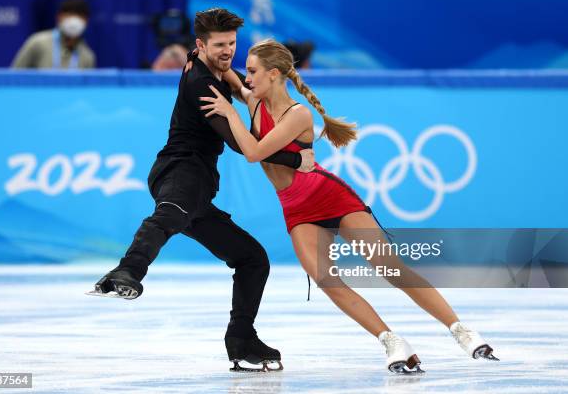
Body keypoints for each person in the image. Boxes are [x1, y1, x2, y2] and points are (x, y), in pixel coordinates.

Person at [198, 38, 499, 373]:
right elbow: (228, 76)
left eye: (254, 71)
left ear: (274, 74)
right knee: (328, 281)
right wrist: (200, 55)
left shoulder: (299, 115)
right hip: (296, 209)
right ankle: (392, 342)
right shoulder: (252, 99)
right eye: (248, 71)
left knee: (390, 268)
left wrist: (228, 113)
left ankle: (462, 331)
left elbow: (254, 153)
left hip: (329, 196)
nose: (248, 77)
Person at [88, 9, 315, 372]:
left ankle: (241, 338)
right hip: (182, 170)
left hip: (197, 184)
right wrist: (295, 160)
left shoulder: (209, 65)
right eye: (220, 45)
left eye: (232, 44)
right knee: (171, 214)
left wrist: (233, 81)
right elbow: (245, 146)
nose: (228, 51)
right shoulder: (201, 84)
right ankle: (127, 271)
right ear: (200, 44)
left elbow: (239, 85)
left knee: (252, 259)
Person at [12, 0, 96, 69]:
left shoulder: (87, 56)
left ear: (86, 21)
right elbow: (14, 76)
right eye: (69, 15)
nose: (74, 21)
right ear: (59, 17)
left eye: (79, 16)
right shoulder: (38, 42)